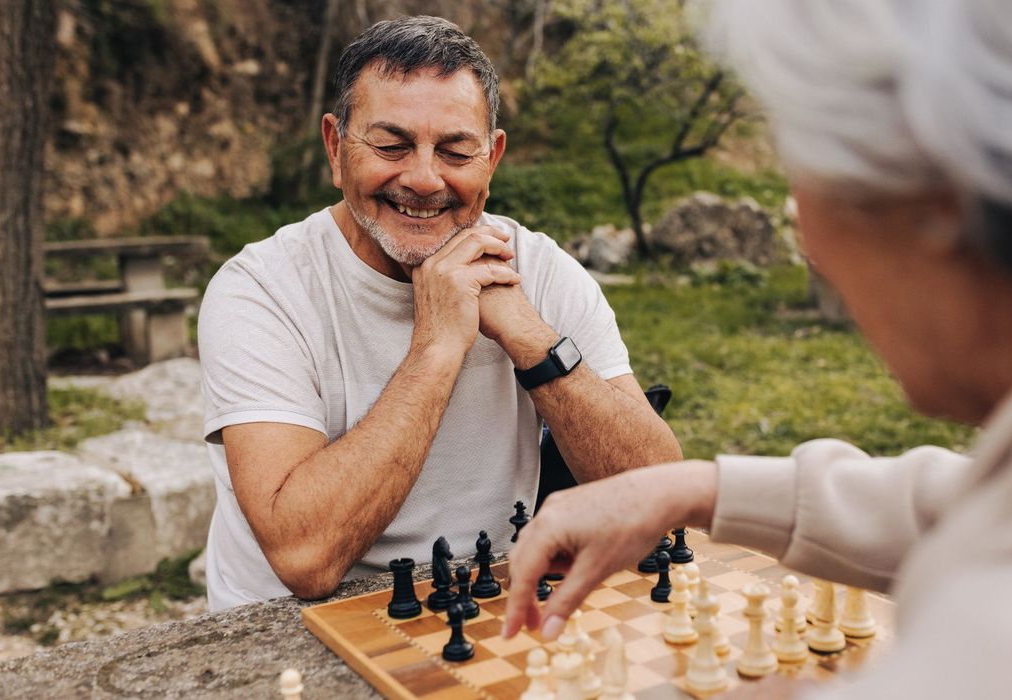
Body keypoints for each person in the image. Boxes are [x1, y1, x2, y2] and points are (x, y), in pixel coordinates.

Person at [503, 1, 1012, 696]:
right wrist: (696, 489)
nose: (810, 245)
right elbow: (996, 501)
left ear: (934, 192)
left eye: (802, 171)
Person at [197, 17, 681, 611]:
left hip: (484, 600)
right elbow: (305, 557)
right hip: (289, 625)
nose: (424, 179)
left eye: (455, 150)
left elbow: (659, 498)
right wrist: (437, 345)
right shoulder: (260, 290)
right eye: (391, 146)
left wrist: (528, 337)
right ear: (334, 147)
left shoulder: (541, 269)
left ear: (492, 157)